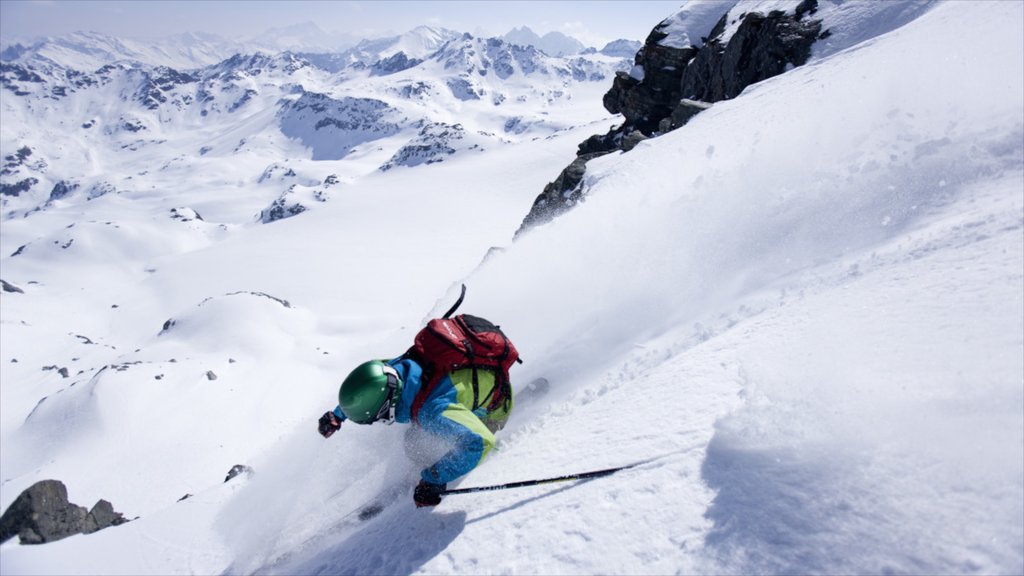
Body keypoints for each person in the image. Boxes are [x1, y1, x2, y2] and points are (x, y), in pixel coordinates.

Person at [318, 357, 513, 508]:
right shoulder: (395, 369)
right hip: (478, 377)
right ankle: (434, 463)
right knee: (412, 439)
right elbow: (368, 386)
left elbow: (479, 443)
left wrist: (434, 479)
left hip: (492, 409)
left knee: (427, 442)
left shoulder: (432, 412)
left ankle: (440, 467)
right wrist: (339, 414)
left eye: (379, 417)